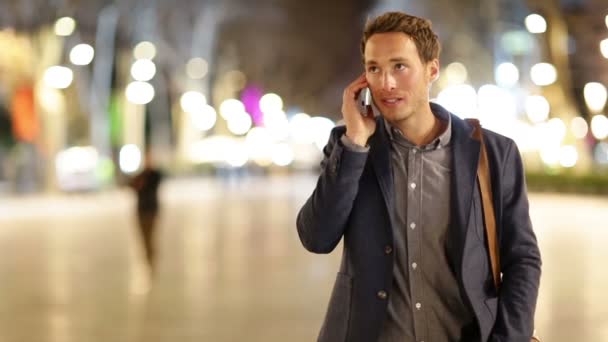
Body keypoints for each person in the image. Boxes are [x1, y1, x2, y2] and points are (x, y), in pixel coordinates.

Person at [296, 11, 541, 342]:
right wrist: (354, 144)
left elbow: (522, 259)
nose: (386, 83)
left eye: (399, 66)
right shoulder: (352, 147)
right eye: (374, 69)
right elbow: (316, 237)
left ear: (432, 70)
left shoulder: (493, 153)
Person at [129, 149, 163, 274]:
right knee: (143, 238)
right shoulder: (141, 175)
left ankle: (151, 260)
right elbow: (131, 185)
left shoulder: (154, 175)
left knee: (150, 237)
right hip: (141, 210)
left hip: (151, 210)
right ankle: (147, 259)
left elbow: (155, 182)